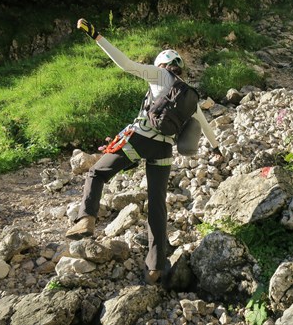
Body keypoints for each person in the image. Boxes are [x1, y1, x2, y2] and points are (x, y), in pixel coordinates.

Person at [66, 18, 223, 285]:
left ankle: (86, 219)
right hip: (163, 149)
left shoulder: (159, 75)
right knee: (157, 207)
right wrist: (218, 150)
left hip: (140, 140)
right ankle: (155, 268)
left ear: (162, 64)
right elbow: (206, 127)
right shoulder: (188, 95)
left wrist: (96, 36)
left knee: (96, 173)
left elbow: (125, 64)